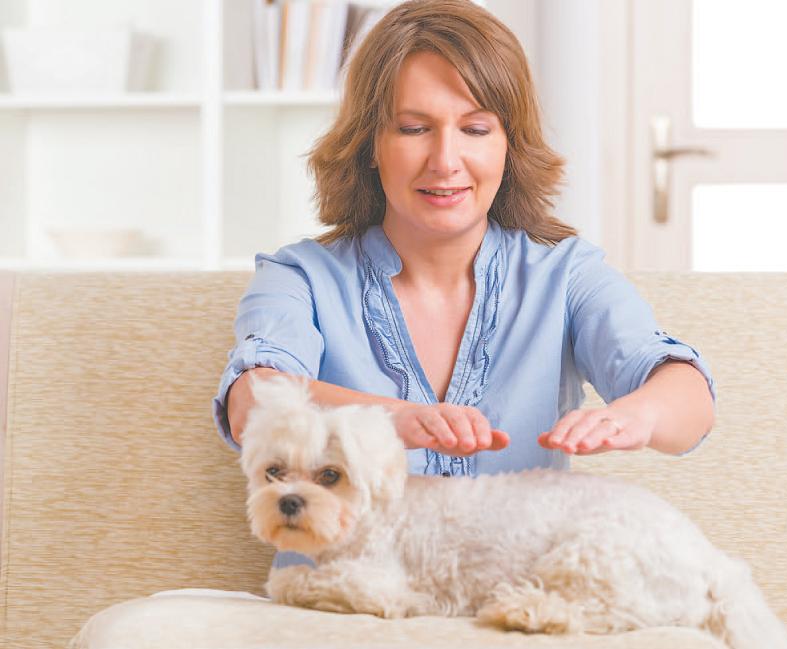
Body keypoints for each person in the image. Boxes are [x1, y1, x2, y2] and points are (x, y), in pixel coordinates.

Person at [213, 0, 716, 569]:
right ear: (370, 144)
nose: (445, 160)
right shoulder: (297, 277)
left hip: (516, 599)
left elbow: (688, 398)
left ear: (508, 144)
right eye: (413, 129)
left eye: (475, 129)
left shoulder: (566, 275)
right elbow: (253, 401)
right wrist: (391, 420)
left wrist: (639, 416)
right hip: (340, 601)